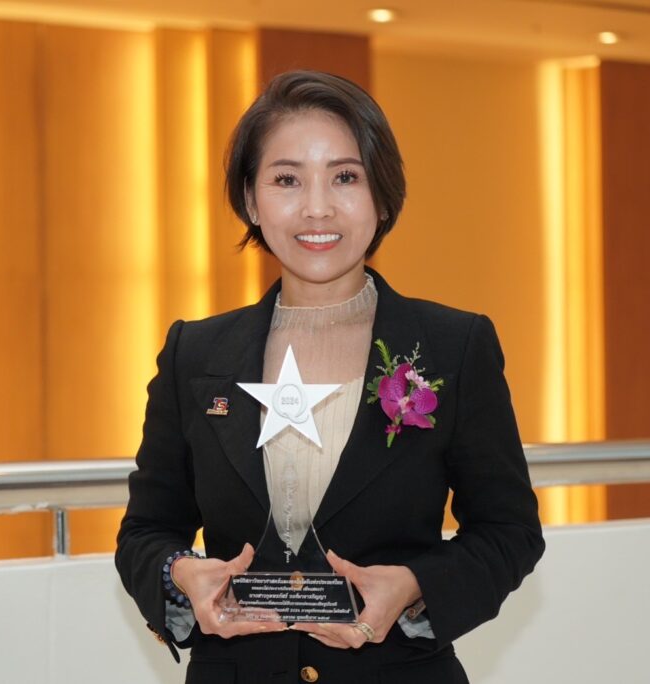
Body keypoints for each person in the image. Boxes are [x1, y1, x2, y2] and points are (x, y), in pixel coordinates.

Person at [116, 70, 544, 684]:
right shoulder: (195, 352)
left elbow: (509, 531)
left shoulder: (453, 346)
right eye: (287, 180)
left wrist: (415, 586)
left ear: (383, 196)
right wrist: (183, 574)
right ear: (250, 200)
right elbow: (147, 532)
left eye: (346, 177)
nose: (317, 207)